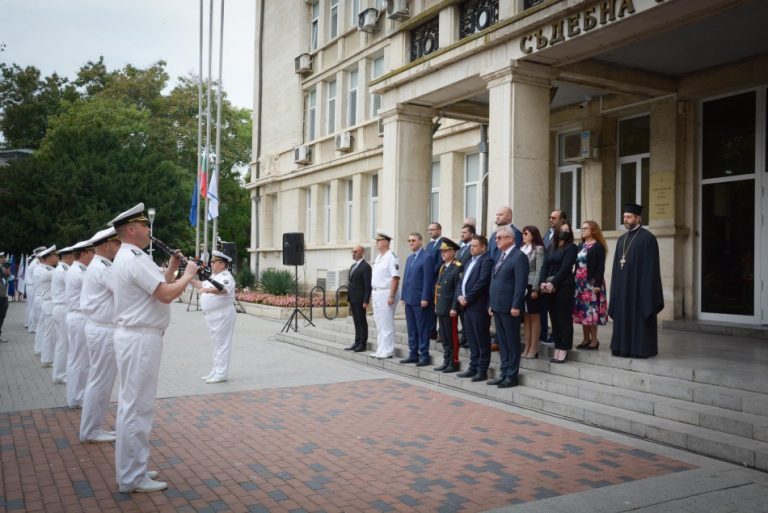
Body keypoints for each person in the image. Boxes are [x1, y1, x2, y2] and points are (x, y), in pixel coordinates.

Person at [110, 203, 199, 493]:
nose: (150, 230)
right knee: (137, 408)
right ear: (132, 230)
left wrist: (173, 268)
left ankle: (134, 467)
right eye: (145, 226)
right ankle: (132, 477)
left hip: (139, 337)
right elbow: (165, 295)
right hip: (139, 339)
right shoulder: (133, 258)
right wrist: (189, 275)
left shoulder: (132, 256)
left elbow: (160, 287)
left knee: (135, 406)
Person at [79, 227, 122, 444]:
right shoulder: (103, 267)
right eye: (117, 243)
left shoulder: (99, 265)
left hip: (100, 327)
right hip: (103, 329)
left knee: (99, 380)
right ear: (106, 245)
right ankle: (91, 430)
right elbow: (125, 290)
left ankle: (92, 427)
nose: (119, 247)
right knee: (100, 382)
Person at [609, 203, 664, 358]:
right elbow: (616, 267)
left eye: (629, 217)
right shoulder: (621, 240)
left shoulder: (648, 239)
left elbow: (651, 269)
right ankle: (622, 348)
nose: (625, 220)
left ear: (638, 218)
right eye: (624, 217)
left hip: (639, 290)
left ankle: (640, 349)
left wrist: (646, 291)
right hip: (623, 290)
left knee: (639, 319)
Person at [488, 226, 528, 388]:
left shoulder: (519, 257)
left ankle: (512, 375)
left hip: (510, 307)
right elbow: (495, 280)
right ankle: (503, 372)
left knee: (512, 342)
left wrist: (516, 305)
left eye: (500, 237)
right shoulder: (500, 255)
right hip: (498, 306)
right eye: (496, 237)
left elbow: (520, 284)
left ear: (510, 239)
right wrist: (491, 304)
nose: (496, 240)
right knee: (503, 342)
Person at [195, 250, 237, 384]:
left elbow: (223, 290)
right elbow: (202, 285)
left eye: (214, 262)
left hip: (223, 315)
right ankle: (215, 370)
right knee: (216, 345)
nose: (211, 264)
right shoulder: (214, 276)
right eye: (212, 262)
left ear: (222, 264)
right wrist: (188, 279)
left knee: (222, 345)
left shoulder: (226, 277)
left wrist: (207, 291)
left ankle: (221, 373)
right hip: (213, 316)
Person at [455, 235, 493, 381]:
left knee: (481, 339)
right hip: (466, 306)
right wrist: (459, 296)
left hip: (478, 306)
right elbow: (461, 280)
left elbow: (482, 282)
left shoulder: (487, 261)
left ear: (483, 247)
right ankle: (473, 367)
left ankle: (482, 370)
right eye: (471, 246)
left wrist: (468, 298)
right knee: (471, 338)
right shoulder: (469, 261)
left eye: (475, 246)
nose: (472, 248)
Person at [539, 220, 577, 364]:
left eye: (567, 230)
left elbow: (566, 268)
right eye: (562, 229)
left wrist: (553, 283)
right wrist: (542, 282)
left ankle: (564, 348)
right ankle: (557, 346)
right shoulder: (551, 246)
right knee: (554, 317)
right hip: (548, 286)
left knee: (563, 318)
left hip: (564, 285)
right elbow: (544, 266)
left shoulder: (571, 247)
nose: (564, 232)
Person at [65, 238, 96, 409]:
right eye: (92, 252)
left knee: (76, 358)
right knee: (80, 360)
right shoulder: (79, 271)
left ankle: (75, 396)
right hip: (79, 317)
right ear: (84, 253)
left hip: (76, 316)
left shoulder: (76, 269)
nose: (94, 255)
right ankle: (77, 397)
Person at [399, 233, 434, 366]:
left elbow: (428, 280)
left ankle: (424, 355)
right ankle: (413, 354)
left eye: (413, 240)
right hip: (409, 299)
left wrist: (425, 298)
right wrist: (403, 296)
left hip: (420, 301)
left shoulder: (427, 257)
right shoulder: (409, 258)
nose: (411, 243)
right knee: (411, 328)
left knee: (422, 328)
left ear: (420, 241)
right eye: (409, 240)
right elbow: (406, 278)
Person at [574, 220, 608, 350]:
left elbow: (600, 267)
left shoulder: (598, 246)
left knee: (591, 312)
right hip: (579, 283)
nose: (582, 230)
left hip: (592, 283)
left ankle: (594, 340)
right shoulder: (581, 245)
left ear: (593, 230)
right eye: (581, 228)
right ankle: (585, 338)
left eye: (585, 228)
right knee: (583, 311)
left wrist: (598, 284)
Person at [369, 231, 400, 359]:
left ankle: (388, 349)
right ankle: (381, 348)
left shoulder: (391, 257)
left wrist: (391, 295)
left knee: (386, 323)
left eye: (379, 241)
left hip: (386, 292)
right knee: (379, 322)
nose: (376, 243)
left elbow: (395, 277)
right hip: (377, 292)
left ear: (386, 242)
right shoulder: (379, 257)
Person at [434, 238, 462, 373]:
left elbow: (457, 289)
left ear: (453, 252)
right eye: (441, 252)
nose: (443, 254)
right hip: (441, 306)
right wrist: (437, 305)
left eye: (445, 251)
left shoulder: (457, 267)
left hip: (450, 307)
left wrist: (454, 307)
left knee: (452, 336)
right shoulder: (443, 267)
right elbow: (438, 288)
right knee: (444, 336)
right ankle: (446, 360)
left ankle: (453, 361)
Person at [541, 210, 566, 343]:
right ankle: (549, 333)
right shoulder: (547, 234)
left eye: (554, 218)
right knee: (547, 309)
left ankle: (558, 336)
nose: (551, 220)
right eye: (550, 217)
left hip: (558, 278)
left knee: (559, 313)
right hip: (547, 275)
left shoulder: (564, 237)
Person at [51, 246, 75, 384]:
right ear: (69, 257)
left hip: (60, 309)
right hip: (63, 309)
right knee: (63, 343)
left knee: (62, 343)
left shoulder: (60, 268)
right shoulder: (64, 270)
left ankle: (59, 373)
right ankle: (60, 375)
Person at [520, 226, 545, 359]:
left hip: (532, 285)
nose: (523, 235)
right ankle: (527, 345)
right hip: (522, 286)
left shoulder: (538, 249)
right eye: (523, 233)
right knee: (526, 317)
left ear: (533, 235)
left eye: (526, 233)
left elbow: (540, 269)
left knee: (534, 317)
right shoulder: (522, 249)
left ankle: (534, 347)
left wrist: (535, 288)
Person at [344, 245, 371, 353]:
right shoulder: (353, 266)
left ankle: (363, 344)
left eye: (355, 251)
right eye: (352, 251)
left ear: (361, 252)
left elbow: (367, 285)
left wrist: (366, 300)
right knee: (356, 321)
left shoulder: (366, 267)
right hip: (353, 299)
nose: (353, 253)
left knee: (362, 321)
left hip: (360, 300)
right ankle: (357, 341)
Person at [35, 245, 59, 365]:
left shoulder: (46, 269)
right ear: (48, 257)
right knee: (50, 333)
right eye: (55, 256)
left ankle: (47, 357)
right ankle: (47, 359)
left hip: (48, 303)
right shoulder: (48, 271)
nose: (57, 258)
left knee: (48, 332)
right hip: (50, 303)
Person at [0, 252, 9, 343]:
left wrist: (7, 270)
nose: (3, 259)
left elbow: (7, 277)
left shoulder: (1, 267)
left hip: (2, 295)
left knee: (2, 315)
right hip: (1, 296)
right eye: (1, 258)